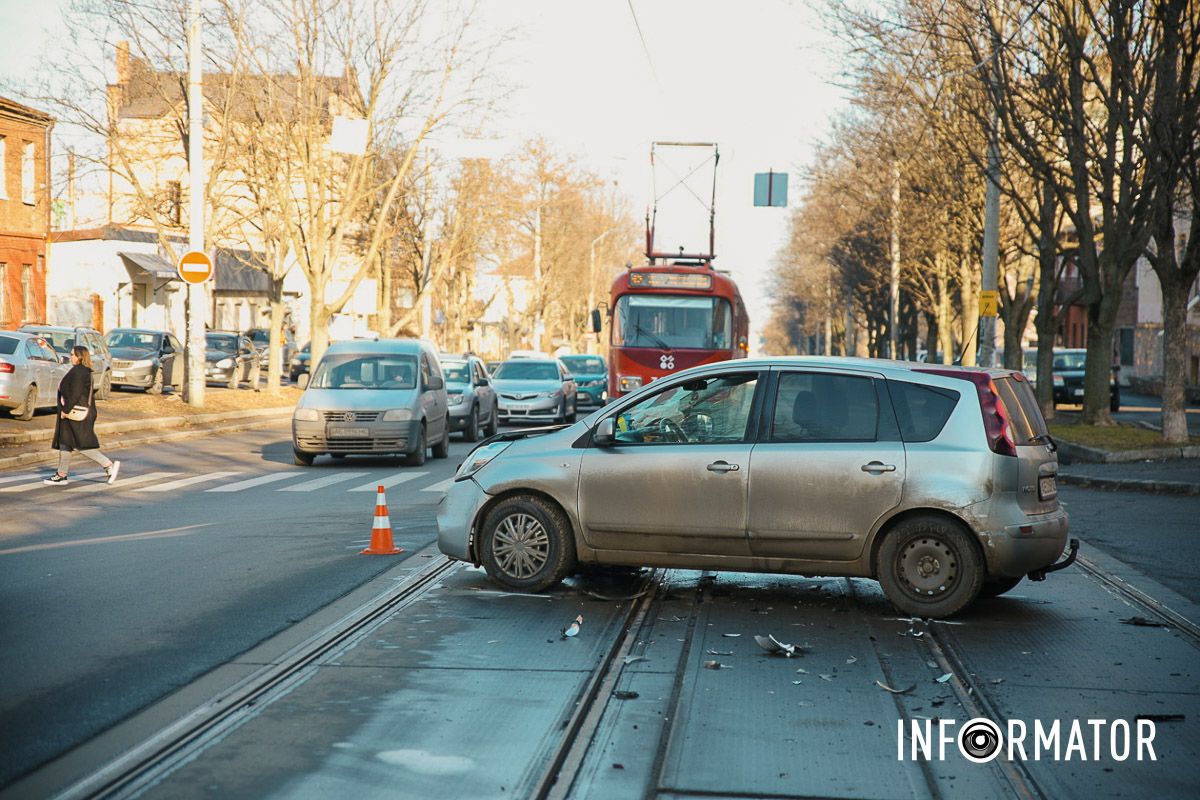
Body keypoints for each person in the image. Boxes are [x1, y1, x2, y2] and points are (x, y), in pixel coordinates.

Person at [43, 345, 120, 486]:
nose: (70, 356)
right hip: (74, 413)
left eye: (72, 354)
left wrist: (66, 410)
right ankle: (61, 475)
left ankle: (108, 465)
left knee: (80, 444)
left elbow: (75, 394)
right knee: (66, 442)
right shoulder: (81, 370)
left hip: (76, 413)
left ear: (79, 356)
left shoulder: (80, 371)